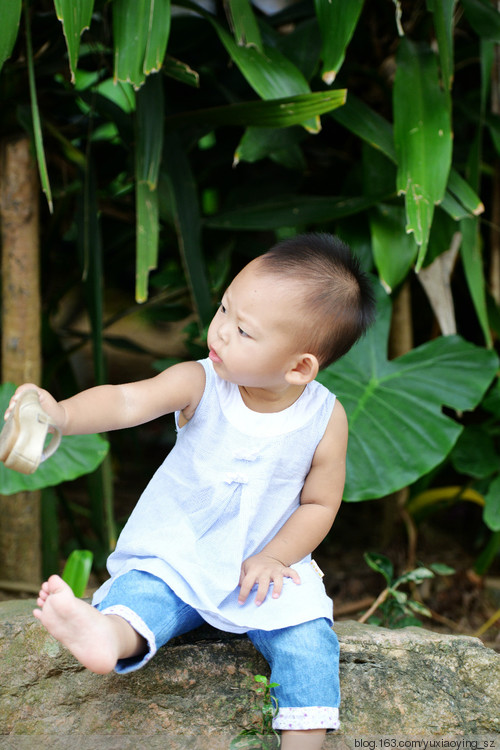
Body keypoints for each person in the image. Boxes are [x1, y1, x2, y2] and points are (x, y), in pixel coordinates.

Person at [3, 233, 375, 750]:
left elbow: (319, 503)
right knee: (147, 595)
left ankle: (303, 741)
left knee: (309, 640)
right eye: (224, 308)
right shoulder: (200, 382)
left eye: (243, 330)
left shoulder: (324, 418)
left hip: (262, 569)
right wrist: (61, 414)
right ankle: (106, 636)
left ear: (299, 367)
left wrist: (276, 556)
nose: (219, 331)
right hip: (180, 552)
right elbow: (128, 401)